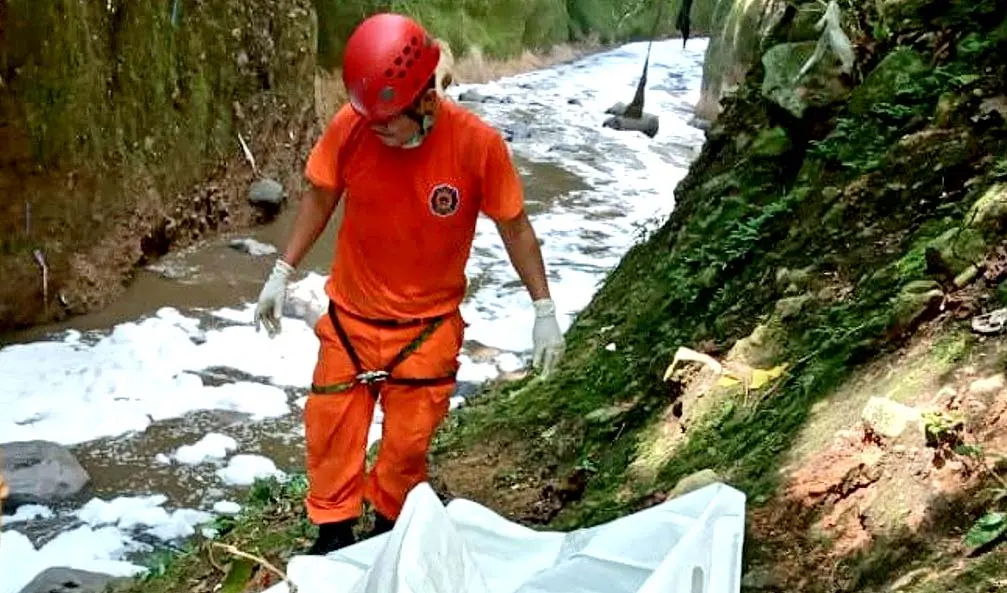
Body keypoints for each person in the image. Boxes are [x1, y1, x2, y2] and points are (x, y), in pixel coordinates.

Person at [252, 12, 566, 555]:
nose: (375, 129)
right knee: (331, 432)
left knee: (407, 446)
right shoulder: (353, 127)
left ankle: (388, 532)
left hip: (426, 330)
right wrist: (283, 270)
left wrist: (543, 309)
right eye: (368, 119)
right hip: (350, 321)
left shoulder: (476, 146)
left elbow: (515, 228)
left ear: (425, 100)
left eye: (386, 121)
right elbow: (321, 195)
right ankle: (332, 534)